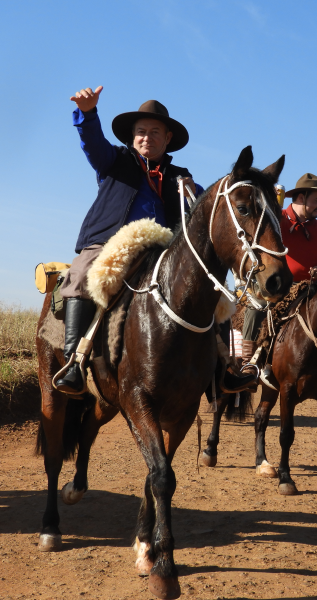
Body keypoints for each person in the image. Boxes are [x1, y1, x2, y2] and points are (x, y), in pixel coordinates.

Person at [56, 86, 253, 394]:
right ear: (132, 136)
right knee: (81, 272)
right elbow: (92, 144)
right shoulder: (114, 161)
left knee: (215, 291)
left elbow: (213, 210)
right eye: (140, 131)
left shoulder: (183, 179)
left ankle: (224, 368)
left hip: (165, 251)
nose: (146, 137)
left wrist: (208, 197)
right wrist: (88, 113)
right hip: (113, 244)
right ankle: (73, 362)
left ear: (168, 138)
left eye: (154, 132)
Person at [241, 173, 317, 390]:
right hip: (275, 286)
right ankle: (247, 364)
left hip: (310, 290)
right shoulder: (274, 218)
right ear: (301, 197)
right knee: (256, 305)